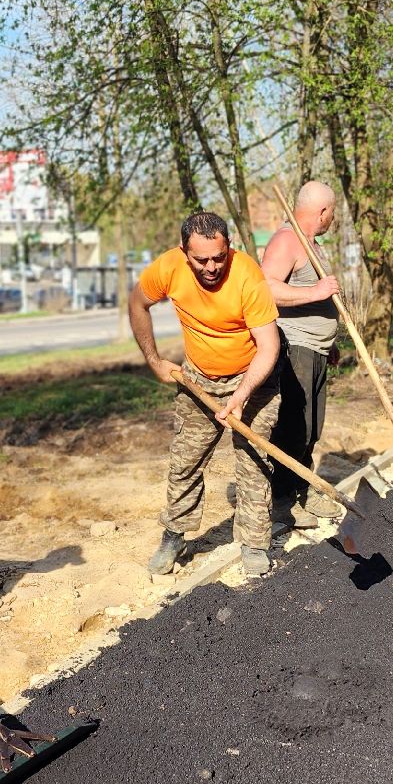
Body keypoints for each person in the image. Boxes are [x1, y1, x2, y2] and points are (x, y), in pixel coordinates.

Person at [130, 211, 283, 579]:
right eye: (202, 260)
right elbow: (138, 305)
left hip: (255, 379)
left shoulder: (248, 276)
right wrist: (153, 360)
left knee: (253, 461)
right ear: (185, 252)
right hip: (198, 378)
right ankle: (174, 535)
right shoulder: (167, 268)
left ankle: (254, 543)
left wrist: (243, 394)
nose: (212, 266)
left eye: (219, 257)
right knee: (185, 459)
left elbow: (269, 345)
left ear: (228, 248)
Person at [261, 181, 343, 531]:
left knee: (311, 429)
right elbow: (266, 288)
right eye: (333, 212)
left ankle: (300, 491)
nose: (332, 219)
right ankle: (281, 503)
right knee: (293, 427)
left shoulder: (311, 244)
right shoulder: (286, 239)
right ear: (322, 211)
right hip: (295, 347)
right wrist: (315, 291)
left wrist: (331, 341)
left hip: (317, 349)